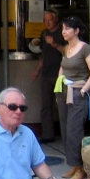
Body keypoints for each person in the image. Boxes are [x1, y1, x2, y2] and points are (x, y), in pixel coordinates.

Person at [56, 16, 90, 179]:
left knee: (75, 132)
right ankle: (73, 164)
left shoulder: (85, 49)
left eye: (67, 29)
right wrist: (59, 88)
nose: (64, 32)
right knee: (65, 130)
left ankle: (81, 168)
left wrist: (83, 90)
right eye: (63, 29)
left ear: (77, 31)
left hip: (77, 94)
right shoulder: (66, 49)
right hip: (63, 92)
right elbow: (62, 68)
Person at [31, 9, 65, 143]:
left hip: (60, 74)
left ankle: (65, 135)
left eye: (49, 20)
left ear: (56, 19)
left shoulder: (63, 32)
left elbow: (68, 52)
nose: (47, 23)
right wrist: (37, 70)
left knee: (62, 106)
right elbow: (43, 55)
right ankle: (47, 135)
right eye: (45, 20)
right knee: (46, 106)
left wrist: (54, 44)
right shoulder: (44, 33)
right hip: (46, 74)